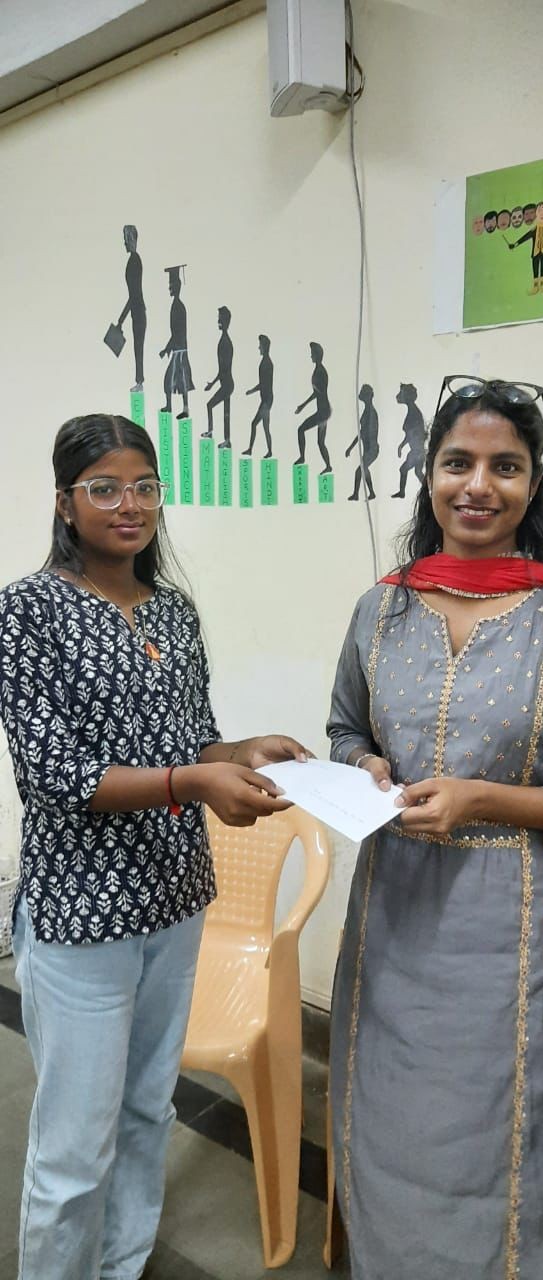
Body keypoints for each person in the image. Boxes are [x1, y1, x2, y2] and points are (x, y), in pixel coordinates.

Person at [0, 413, 310, 1280]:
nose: (128, 504)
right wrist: (194, 782)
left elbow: (192, 739)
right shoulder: (26, 611)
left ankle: (122, 1264)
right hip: (81, 915)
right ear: (64, 502)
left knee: (146, 1114)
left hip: (174, 902)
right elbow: (57, 775)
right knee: (73, 1152)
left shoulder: (172, 610)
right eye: (104, 488)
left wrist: (240, 752)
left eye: (144, 486)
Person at [327, 375, 543, 1280]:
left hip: (511, 922)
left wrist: (481, 799)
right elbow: (346, 728)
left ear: (532, 485)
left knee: (504, 1126)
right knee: (395, 1120)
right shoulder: (382, 606)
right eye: (458, 463)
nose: (479, 486)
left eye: (504, 467)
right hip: (392, 914)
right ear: (429, 474)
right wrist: (363, 764)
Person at [160, 264, 194, 420]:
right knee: (178, 380)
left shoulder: (178, 307)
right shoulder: (176, 306)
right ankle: (173, 406)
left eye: (171, 285)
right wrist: (168, 348)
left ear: (176, 287)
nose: (169, 288)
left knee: (179, 380)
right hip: (178, 349)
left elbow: (177, 332)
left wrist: (167, 348)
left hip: (179, 351)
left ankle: (182, 408)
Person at [294, 342, 332, 474]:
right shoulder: (318, 370)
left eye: (312, 354)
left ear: (317, 355)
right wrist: (303, 406)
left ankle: (304, 458)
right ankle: (327, 466)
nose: (311, 356)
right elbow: (317, 392)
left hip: (323, 412)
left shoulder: (321, 372)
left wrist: (303, 406)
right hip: (323, 411)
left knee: (302, 430)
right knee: (320, 442)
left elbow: (317, 393)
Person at [117, 225, 146, 393]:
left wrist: (121, 319)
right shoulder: (133, 260)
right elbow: (133, 295)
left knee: (138, 347)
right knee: (137, 347)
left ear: (132, 239)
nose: (124, 243)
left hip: (138, 310)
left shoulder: (134, 261)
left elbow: (134, 294)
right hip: (137, 310)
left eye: (126, 239)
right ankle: (139, 381)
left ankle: (140, 382)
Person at [203, 305, 234, 449]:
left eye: (220, 319)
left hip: (227, 384)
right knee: (226, 412)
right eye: (218, 318)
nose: (218, 321)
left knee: (210, 405)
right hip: (227, 383)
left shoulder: (225, 342)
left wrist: (212, 384)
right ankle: (227, 440)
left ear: (226, 321)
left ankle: (211, 432)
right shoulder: (224, 340)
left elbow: (223, 369)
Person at [345, 383, 379, 501]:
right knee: (364, 470)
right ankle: (371, 493)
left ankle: (356, 494)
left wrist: (365, 448)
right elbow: (361, 433)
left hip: (372, 449)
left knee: (360, 471)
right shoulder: (367, 411)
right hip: (368, 449)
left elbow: (368, 433)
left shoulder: (371, 413)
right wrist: (350, 448)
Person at [243, 333, 274, 458]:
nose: (259, 347)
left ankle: (253, 450)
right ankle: (266, 451)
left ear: (264, 347)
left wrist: (251, 391)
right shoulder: (266, 362)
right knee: (263, 426)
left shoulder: (267, 363)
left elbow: (263, 384)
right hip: (267, 399)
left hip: (267, 400)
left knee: (256, 424)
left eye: (260, 345)